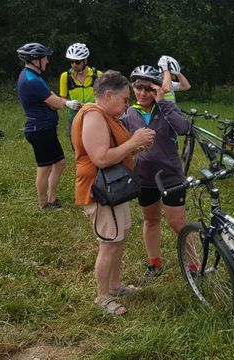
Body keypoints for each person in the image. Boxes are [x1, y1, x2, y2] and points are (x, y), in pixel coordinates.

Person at [71, 70, 156, 315]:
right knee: (108, 243)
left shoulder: (106, 115)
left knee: (119, 238)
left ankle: (115, 286)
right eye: (124, 99)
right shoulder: (93, 116)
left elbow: (115, 151)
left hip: (114, 188)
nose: (127, 104)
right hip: (100, 190)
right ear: (108, 95)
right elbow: (100, 158)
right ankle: (102, 296)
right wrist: (132, 143)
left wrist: (135, 146)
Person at [122, 65, 190, 278]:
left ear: (157, 89)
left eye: (148, 88)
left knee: (177, 223)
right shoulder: (129, 113)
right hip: (144, 176)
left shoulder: (166, 107)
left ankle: (194, 264)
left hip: (170, 175)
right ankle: (154, 263)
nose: (142, 93)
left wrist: (162, 102)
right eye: (138, 87)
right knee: (150, 220)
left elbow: (183, 128)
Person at [16, 42, 82, 210]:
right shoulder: (31, 80)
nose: (47, 61)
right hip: (39, 130)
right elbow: (55, 103)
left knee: (59, 164)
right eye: (44, 58)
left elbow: (52, 98)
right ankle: (43, 204)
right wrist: (66, 103)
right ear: (35, 60)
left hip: (46, 129)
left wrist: (57, 102)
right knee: (44, 168)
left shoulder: (34, 75)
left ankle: (52, 198)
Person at [59, 43, 103, 146]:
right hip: (75, 117)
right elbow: (62, 99)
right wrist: (68, 103)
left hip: (94, 116)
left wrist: (91, 105)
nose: (74, 65)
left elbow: (104, 98)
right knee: (77, 147)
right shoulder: (65, 77)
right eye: (71, 61)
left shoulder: (98, 75)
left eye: (77, 62)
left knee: (96, 146)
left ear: (85, 61)